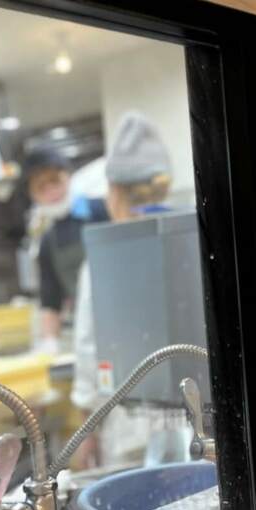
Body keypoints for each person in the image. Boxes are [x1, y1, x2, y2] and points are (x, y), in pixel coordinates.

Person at [70, 112, 182, 469]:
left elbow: (89, 346)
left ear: (115, 192)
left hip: (129, 424)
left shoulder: (107, 257)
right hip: (197, 419)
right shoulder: (189, 242)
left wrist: (85, 428)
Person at [30, 148, 109, 348]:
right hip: (85, 330)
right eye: (41, 188)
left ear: (68, 177)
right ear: (34, 195)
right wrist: (50, 342)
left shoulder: (101, 210)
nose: (51, 192)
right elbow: (50, 300)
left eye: (55, 181)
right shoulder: (47, 241)